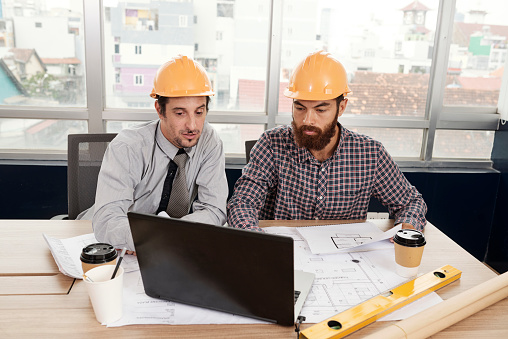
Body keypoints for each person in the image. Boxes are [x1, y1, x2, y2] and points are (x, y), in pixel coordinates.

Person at [227, 50, 427, 232]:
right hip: (285, 254)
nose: (307, 120)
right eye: (300, 108)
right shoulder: (272, 144)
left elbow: (410, 202)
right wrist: (252, 235)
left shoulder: (370, 153)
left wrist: (407, 229)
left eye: (320, 110)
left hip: (346, 259)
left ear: (341, 108)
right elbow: (242, 202)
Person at [79, 55, 228, 253]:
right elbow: (108, 220)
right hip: (112, 244)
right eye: (180, 113)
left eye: (199, 112)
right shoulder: (128, 147)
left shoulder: (209, 141)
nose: (192, 126)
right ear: (159, 109)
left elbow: (214, 210)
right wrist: (152, 238)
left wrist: (169, 237)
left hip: (165, 246)